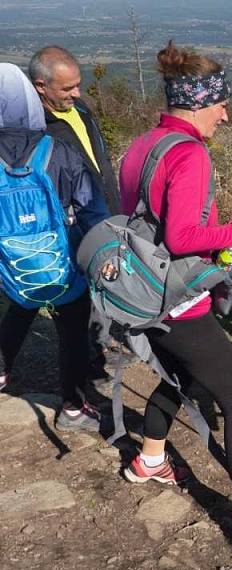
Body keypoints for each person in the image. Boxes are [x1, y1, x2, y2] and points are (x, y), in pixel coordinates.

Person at [118, 41, 232, 540]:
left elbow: (146, 223)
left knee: (182, 377)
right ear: (200, 102)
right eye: (221, 104)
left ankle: (150, 459)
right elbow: (180, 238)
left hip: (141, 292)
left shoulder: (143, 145)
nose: (225, 114)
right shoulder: (191, 155)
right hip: (178, 300)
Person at [0, 63, 109, 431]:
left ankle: (1, 370)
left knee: (20, 306)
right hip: (63, 262)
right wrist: (106, 250)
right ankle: (73, 407)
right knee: (73, 333)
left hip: (13, 266)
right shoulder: (56, 150)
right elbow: (90, 206)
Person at [29, 46, 125, 380]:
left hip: (103, 213)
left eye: (78, 85)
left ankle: (97, 347)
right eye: (67, 88)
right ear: (41, 85)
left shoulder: (80, 109)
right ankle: (80, 371)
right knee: (75, 297)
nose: (77, 93)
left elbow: (100, 164)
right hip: (67, 223)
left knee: (102, 282)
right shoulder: (35, 125)